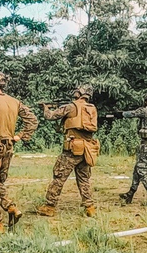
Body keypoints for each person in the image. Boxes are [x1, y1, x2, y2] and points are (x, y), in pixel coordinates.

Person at [0, 70, 38, 233]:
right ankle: (11, 208)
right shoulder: (14, 101)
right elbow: (33, 120)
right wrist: (20, 136)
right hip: (9, 146)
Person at [37, 84, 100, 217]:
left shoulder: (70, 107)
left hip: (72, 150)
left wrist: (45, 108)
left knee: (59, 177)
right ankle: (89, 207)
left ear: (79, 92)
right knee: (84, 179)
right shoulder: (92, 108)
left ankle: (49, 206)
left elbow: (50, 116)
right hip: (87, 150)